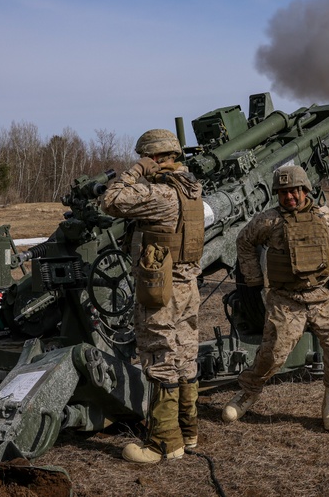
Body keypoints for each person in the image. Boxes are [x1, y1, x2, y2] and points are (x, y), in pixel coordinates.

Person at [222, 164, 329, 432]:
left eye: (294, 191)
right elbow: (244, 241)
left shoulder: (324, 216)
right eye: (283, 192)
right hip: (286, 300)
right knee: (271, 355)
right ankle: (248, 392)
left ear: (305, 190)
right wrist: (253, 279)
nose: (289, 197)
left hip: (324, 297)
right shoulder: (269, 221)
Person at [100, 129, 205, 464]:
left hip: (162, 292)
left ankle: (163, 442)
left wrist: (135, 171)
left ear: (157, 158)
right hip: (188, 287)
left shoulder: (160, 194)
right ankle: (189, 434)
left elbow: (111, 201)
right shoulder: (191, 190)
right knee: (185, 357)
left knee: (161, 359)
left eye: (147, 157)